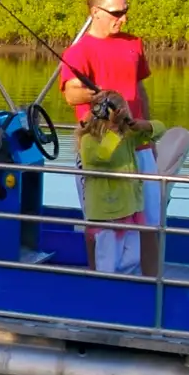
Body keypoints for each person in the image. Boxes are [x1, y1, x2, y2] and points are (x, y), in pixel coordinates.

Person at [59, 0, 178, 276]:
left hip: (138, 147)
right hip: (101, 150)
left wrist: (148, 135)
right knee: (98, 224)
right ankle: (97, 284)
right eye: (116, 12)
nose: (123, 17)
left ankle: (151, 286)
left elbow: (140, 91)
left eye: (125, 11)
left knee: (150, 220)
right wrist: (101, 96)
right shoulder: (78, 52)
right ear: (96, 12)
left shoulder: (133, 43)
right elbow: (71, 93)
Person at [77, 90, 166, 275]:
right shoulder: (88, 141)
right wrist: (114, 131)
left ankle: (122, 288)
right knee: (107, 263)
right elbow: (103, 156)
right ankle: (105, 295)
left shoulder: (127, 139)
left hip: (130, 211)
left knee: (132, 258)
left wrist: (144, 125)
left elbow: (160, 131)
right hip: (106, 215)